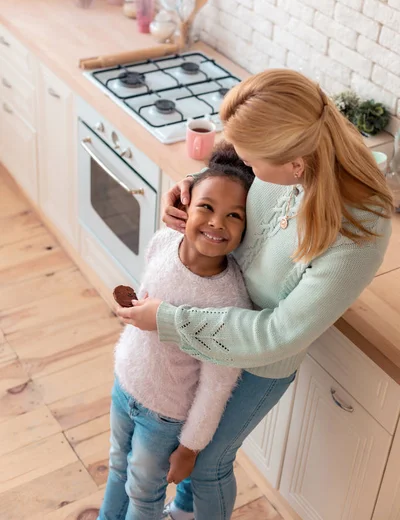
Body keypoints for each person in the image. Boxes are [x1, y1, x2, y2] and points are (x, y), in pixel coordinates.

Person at [116, 69, 393, 520]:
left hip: (258, 360)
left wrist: (168, 320)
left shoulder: (358, 231)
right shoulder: (299, 149)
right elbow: (234, 173)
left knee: (208, 463)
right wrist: (197, 189)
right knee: (193, 453)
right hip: (211, 328)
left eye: (252, 158)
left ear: (294, 164)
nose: (246, 164)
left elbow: (280, 334)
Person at [98, 143, 255, 520]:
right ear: (186, 206)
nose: (217, 222)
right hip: (125, 385)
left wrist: (189, 448)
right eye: (206, 207)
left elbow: (217, 386)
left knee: (143, 489)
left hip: (164, 417)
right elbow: (148, 298)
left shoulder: (228, 301)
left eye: (234, 215)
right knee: (118, 465)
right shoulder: (164, 242)